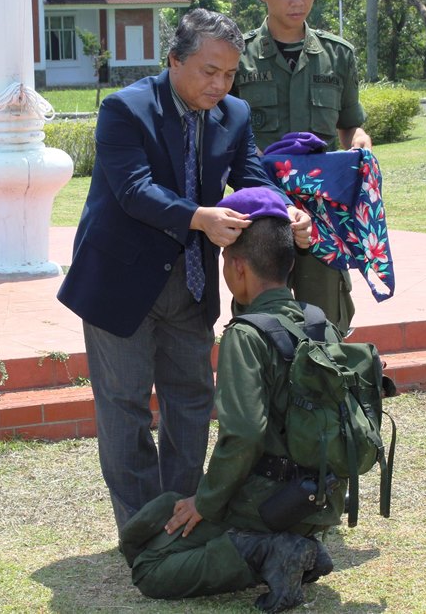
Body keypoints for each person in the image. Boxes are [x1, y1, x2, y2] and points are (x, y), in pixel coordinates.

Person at [57, 9, 312, 533]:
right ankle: (140, 529)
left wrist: (285, 212)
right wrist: (199, 217)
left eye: (229, 73)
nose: (219, 84)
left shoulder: (234, 115)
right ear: (174, 60)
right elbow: (133, 190)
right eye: (208, 70)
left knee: (192, 401)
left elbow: (252, 177)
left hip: (191, 281)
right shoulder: (125, 109)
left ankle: (181, 516)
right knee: (125, 407)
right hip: (120, 283)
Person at [119, 186, 345, 613]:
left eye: (224, 262)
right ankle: (295, 547)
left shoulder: (247, 335)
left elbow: (243, 434)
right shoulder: (319, 322)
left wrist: (205, 502)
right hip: (318, 497)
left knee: (148, 566)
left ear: (238, 268)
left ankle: (270, 552)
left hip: (268, 499)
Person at [231, 0, 372, 335]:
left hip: (323, 212)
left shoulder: (337, 55)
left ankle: (322, 393)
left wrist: (359, 142)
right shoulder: (237, 59)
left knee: (324, 321)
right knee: (258, 325)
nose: (298, 0)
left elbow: (350, 123)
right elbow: (222, 133)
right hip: (260, 211)